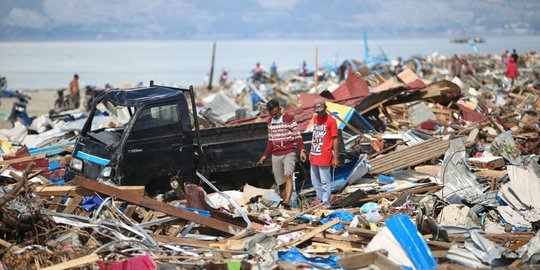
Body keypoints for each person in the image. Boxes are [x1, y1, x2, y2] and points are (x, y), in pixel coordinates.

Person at [258, 99, 307, 207]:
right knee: (280, 182)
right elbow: (270, 141)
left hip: (289, 152)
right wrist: (265, 155)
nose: (274, 116)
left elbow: (297, 136)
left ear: (280, 109)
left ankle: (287, 201)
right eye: (272, 114)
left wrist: (302, 150)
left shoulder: (289, 119)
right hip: (276, 155)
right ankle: (286, 203)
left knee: (288, 175)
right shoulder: (270, 122)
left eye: (276, 113)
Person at [309, 99, 339, 207]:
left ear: (325, 108)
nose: (319, 113)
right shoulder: (315, 118)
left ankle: (326, 203)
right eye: (317, 111)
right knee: (315, 181)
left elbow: (335, 139)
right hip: (314, 154)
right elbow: (315, 135)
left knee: (325, 181)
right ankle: (321, 200)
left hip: (325, 155)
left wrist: (335, 157)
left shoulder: (331, 121)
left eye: (321, 111)